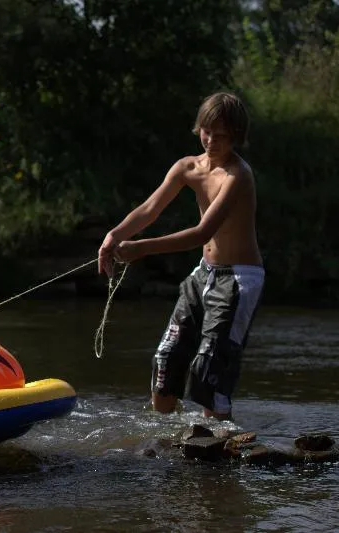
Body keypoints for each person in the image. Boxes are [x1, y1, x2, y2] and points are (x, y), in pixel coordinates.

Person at [97, 92, 264, 420]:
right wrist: (114, 236)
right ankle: (165, 443)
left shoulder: (237, 176)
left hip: (239, 279)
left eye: (221, 135)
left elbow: (202, 232)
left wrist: (140, 248)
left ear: (236, 136)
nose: (211, 140)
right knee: (167, 360)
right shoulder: (187, 167)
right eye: (207, 131)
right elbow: (149, 209)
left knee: (209, 370)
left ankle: (215, 450)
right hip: (204, 273)